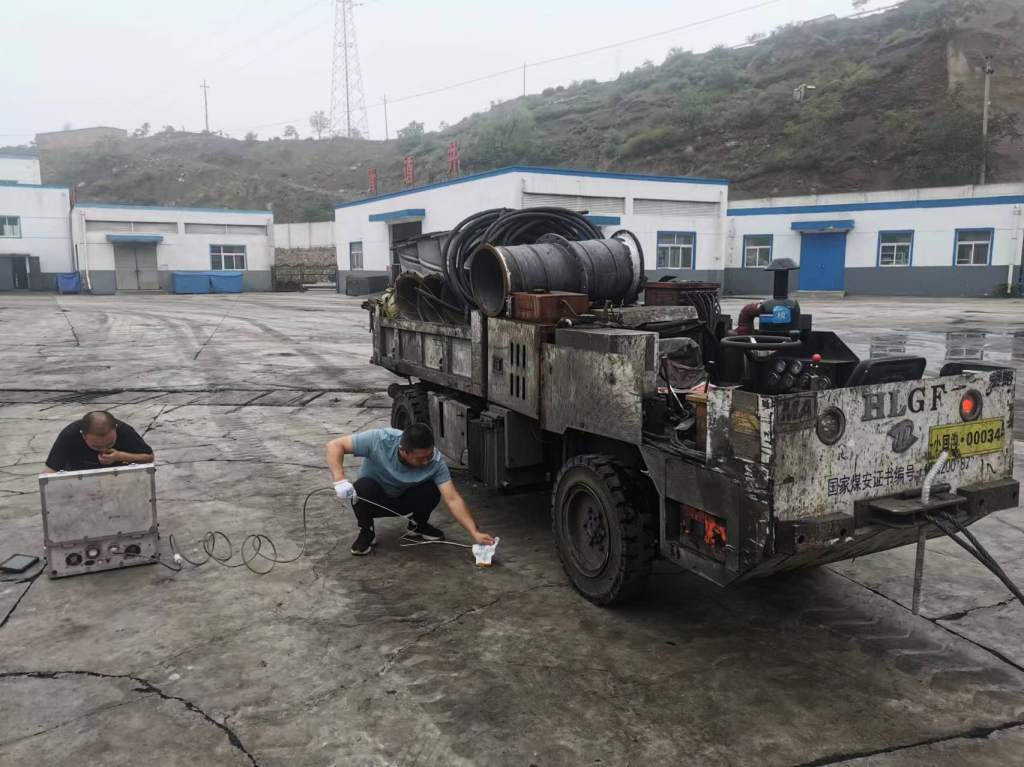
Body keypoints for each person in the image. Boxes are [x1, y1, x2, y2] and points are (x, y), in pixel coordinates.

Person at [325, 423, 495, 556]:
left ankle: (418, 526)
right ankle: (366, 531)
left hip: (404, 500)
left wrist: (474, 532)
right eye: (420, 458)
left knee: (431, 488)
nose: (426, 461)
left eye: (429, 455)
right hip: (374, 500)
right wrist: (340, 480)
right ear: (403, 450)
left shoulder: (436, 462)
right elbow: (335, 445)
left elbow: (453, 499)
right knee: (361, 487)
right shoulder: (380, 440)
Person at [44, 411, 155, 473]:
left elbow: (149, 457)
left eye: (109, 444)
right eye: (96, 446)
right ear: (83, 435)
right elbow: (50, 469)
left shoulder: (124, 431)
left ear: (116, 429)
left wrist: (120, 456)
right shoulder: (70, 435)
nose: (104, 449)